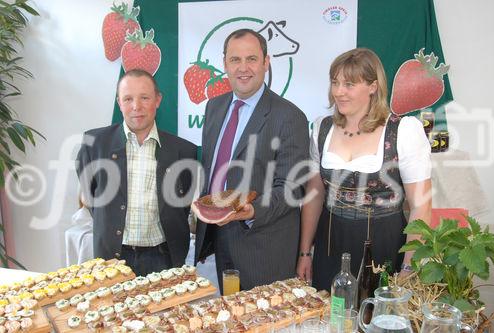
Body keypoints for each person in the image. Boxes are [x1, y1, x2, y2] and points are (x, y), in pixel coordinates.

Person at [296, 48, 432, 291]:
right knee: (329, 314)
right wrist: (305, 252)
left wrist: (410, 266)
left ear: (373, 86)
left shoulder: (404, 131)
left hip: (384, 242)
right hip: (331, 241)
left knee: (375, 318)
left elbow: (420, 205)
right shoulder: (322, 129)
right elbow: (314, 195)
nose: (338, 91)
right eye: (335, 82)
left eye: (349, 84)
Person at [194, 29, 309, 291]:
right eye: (235, 60)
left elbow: (291, 190)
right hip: (218, 242)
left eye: (252, 59)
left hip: (263, 250)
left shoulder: (289, 117)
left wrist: (252, 211)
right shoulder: (214, 107)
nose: (243, 68)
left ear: (266, 62)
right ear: (224, 64)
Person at [76, 69, 197, 276]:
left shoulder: (184, 151)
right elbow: (90, 196)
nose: (136, 107)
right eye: (128, 98)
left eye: (144, 97)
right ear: (119, 102)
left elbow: (183, 206)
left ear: (157, 100)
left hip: (164, 260)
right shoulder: (94, 144)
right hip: (112, 259)